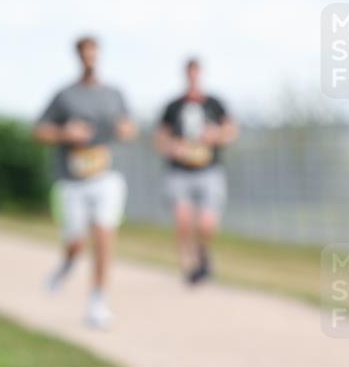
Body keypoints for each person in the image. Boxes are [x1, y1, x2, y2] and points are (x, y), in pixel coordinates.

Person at [34, 35, 137, 328]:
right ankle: (66, 265)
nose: (90, 58)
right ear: (78, 56)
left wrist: (124, 129)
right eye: (85, 53)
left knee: (104, 235)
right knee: (77, 242)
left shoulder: (114, 93)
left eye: (94, 52)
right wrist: (64, 134)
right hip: (72, 180)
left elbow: (130, 128)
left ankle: (97, 301)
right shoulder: (64, 95)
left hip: (106, 176)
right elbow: (39, 131)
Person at [154, 57, 238, 284]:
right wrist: (174, 148)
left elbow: (231, 131)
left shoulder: (214, 104)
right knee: (183, 219)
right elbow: (160, 140)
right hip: (179, 172)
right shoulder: (173, 106)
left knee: (206, 224)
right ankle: (189, 264)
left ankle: (203, 254)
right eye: (190, 73)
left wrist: (216, 135)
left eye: (196, 73)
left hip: (208, 171)